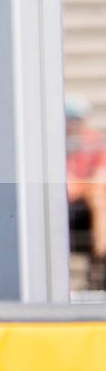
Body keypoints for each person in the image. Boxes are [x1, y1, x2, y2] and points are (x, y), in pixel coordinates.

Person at [66, 96, 106, 290]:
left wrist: (84, 187)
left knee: (99, 201)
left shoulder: (95, 141)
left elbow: (100, 176)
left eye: (76, 119)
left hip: (88, 203)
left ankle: (100, 261)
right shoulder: (56, 143)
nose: (72, 124)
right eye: (69, 119)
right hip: (67, 205)